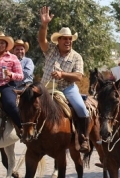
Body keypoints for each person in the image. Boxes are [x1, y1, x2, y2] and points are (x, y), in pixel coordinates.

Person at [38, 6, 89, 152]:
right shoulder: (50, 50)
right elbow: (41, 39)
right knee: (29, 104)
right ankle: (28, 132)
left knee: (81, 109)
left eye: (69, 39)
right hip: (46, 88)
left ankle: (83, 137)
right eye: (64, 39)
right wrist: (44, 24)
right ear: (58, 40)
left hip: (68, 88)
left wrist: (62, 75)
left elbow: (78, 76)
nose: (68, 41)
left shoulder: (76, 56)